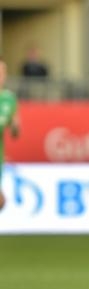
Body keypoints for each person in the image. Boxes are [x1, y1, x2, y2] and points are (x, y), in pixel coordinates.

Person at [0, 57, 20, 211]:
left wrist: (15, 127)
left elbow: (15, 133)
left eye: (4, 71)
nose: (2, 74)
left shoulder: (9, 99)